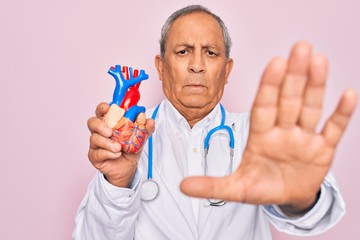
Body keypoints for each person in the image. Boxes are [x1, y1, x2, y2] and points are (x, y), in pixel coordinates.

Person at [73, 4, 357, 240]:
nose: (197, 65)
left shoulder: (258, 135)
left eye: (211, 53)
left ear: (227, 69)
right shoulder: (129, 137)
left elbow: (315, 217)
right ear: (160, 67)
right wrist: (116, 184)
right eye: (183, 51)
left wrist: (299, 197)